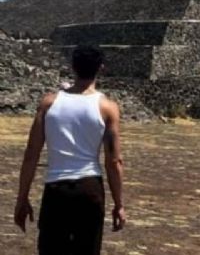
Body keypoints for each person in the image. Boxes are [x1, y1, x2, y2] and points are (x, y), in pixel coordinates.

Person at [15, 45, 125, 254]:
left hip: (56, 188)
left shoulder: (48, 104)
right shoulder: (107, 108)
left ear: (73, 67)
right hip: (89, 188)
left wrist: (22, 198)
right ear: (100, 68)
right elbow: (114, 161)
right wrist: (119, 203)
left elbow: (31, 155)